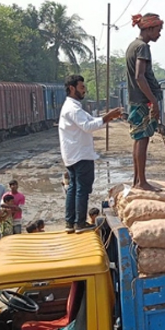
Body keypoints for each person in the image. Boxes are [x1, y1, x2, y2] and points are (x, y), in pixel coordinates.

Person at [59, 75, 122, 234]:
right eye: (81, 87)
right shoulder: (73, 108)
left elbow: (92, 120)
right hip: (80, 155)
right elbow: (88, 126)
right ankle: (79, 223)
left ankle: (70, 222)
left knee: (73, 188)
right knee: (82, 189)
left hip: (73, 155)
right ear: (72, 88)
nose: (84, 90)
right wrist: (108, 117)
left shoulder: (73, 107)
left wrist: (106, 117)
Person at [126, 13, 164, 192]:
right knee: (143, 139)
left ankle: (137, 180)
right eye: (158, 30)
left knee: (138, 139)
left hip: (135, 100)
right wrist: (154, 101)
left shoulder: (132, 46)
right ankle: (142, 182)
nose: (159, 34)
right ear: (148, 28)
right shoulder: (142, 48)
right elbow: (140, 77)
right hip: (143, 101)